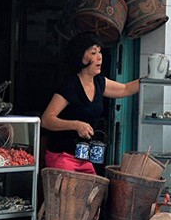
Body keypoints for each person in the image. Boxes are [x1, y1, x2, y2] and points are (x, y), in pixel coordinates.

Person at [41, 32, 140, 174]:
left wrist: (152, 78)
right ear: (80, 56)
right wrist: (76, 125)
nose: (99, 56)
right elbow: (46, 120)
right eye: (93, 52)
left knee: (91, 193)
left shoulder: (99, 82)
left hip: (84, 158)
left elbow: (125, 89)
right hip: (62, 156)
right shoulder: (70, 85)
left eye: (99, 52)